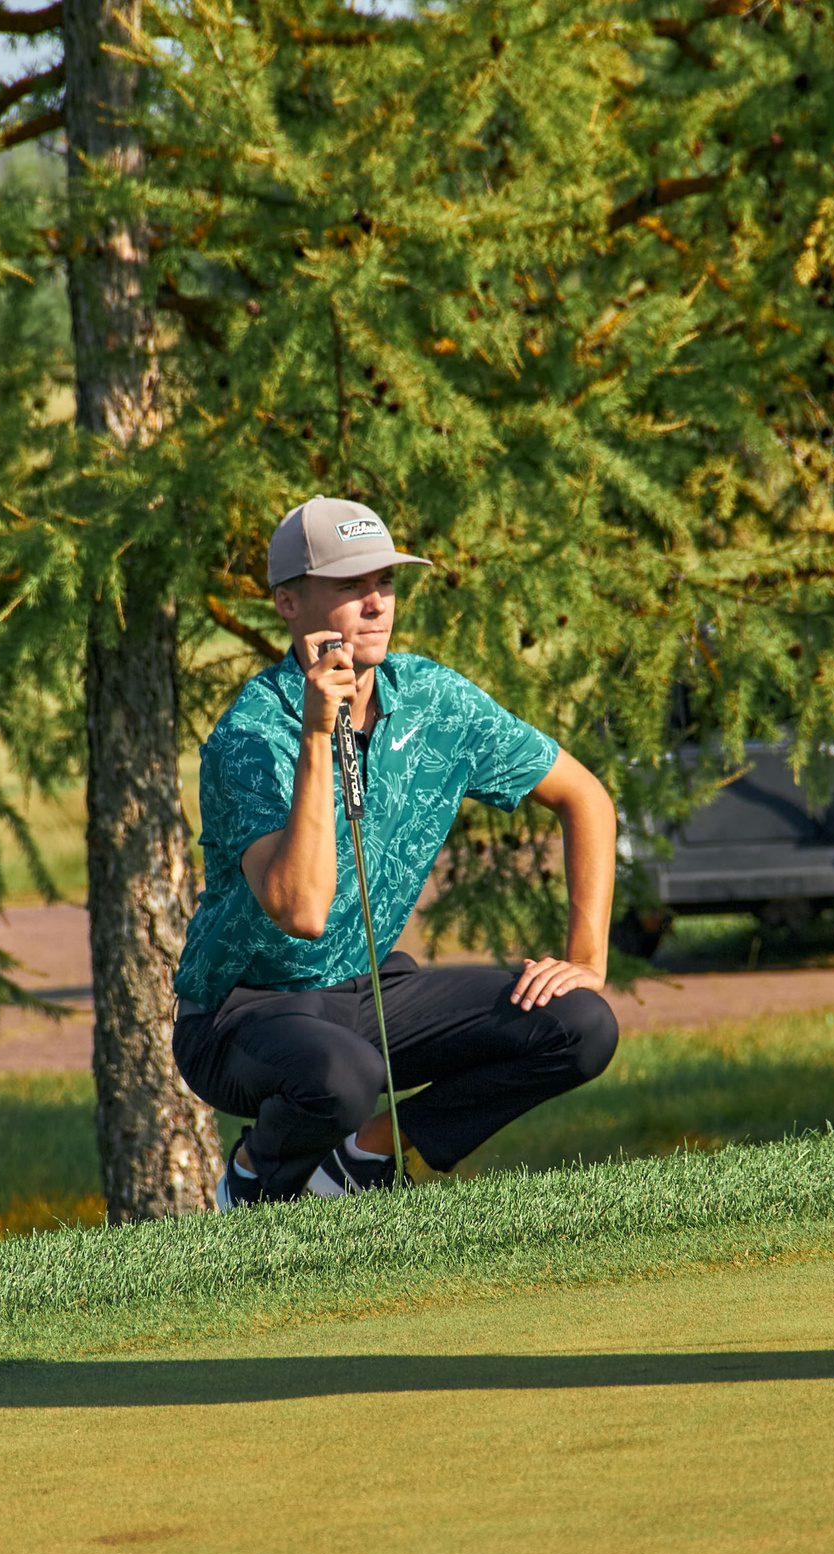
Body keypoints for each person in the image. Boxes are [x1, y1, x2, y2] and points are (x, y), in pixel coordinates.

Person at [172, 495, 620, 1208]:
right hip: (242, 1014)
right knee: (340, 1078)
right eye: (351, 586)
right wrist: (321, 736)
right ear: (289, 603)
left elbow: (585, 797)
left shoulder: (437, 702)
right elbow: (302, 910)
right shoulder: (250, 738)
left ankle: (369, 1153)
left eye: (384, 582)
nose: (376, 603)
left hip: (368, 991)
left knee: (580, 1026)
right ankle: (255, 1178)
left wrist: (587, 960)